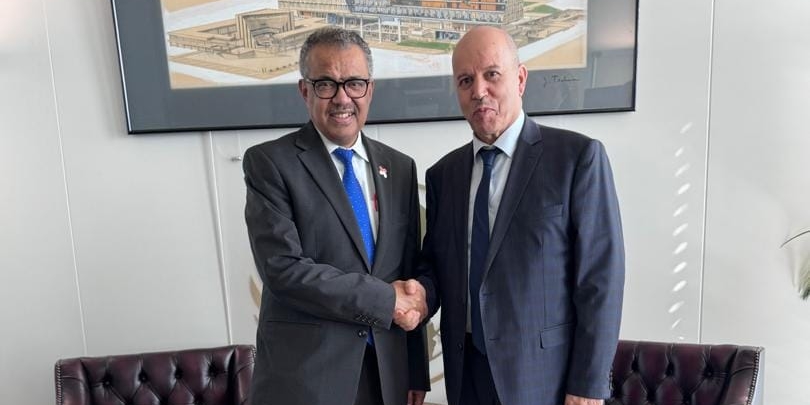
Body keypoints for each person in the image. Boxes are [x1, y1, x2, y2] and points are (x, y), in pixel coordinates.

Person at [415, 26, 625, 405]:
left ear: (520, 78)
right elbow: (435, 267)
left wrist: (588, 385)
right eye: (465, 80)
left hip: (545, 379)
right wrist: (416, 295)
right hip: (465, 376)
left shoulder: (576, 159)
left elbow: (601, 281)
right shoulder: (442, 176)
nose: (479, 91)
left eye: (492, 74)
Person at [243, 27, 429, 405]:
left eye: (355, 83)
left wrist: (415, 371)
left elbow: (407, 273)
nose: (343, 98)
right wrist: (384, 300)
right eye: (326, 84)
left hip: (387, 377)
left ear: (369, 90)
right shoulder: (269, 163)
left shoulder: (400, 167)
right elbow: (283, 271)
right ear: (305, 91)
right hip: (307, 381)